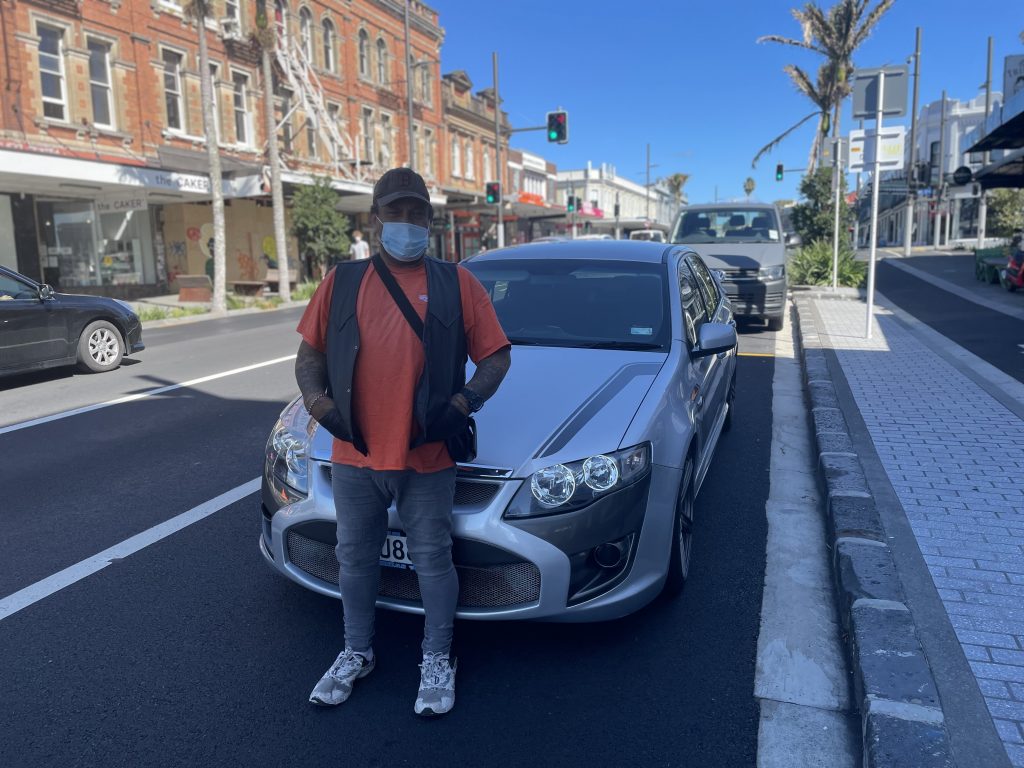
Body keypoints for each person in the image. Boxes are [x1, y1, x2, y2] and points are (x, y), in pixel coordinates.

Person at [294, 167, 511, 717]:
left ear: (431, 222)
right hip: (356, 452)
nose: (407, 224)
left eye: (418, 214)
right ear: (375, 219)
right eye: (396, 213)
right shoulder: (341, 283)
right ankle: (356, 651)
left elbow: (497, 356)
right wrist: (322, 410)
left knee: (433, 560)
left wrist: (461, 406)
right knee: (355, 558)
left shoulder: (457, 283)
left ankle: (438, 657)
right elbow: (310, 357)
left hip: (427, 455)